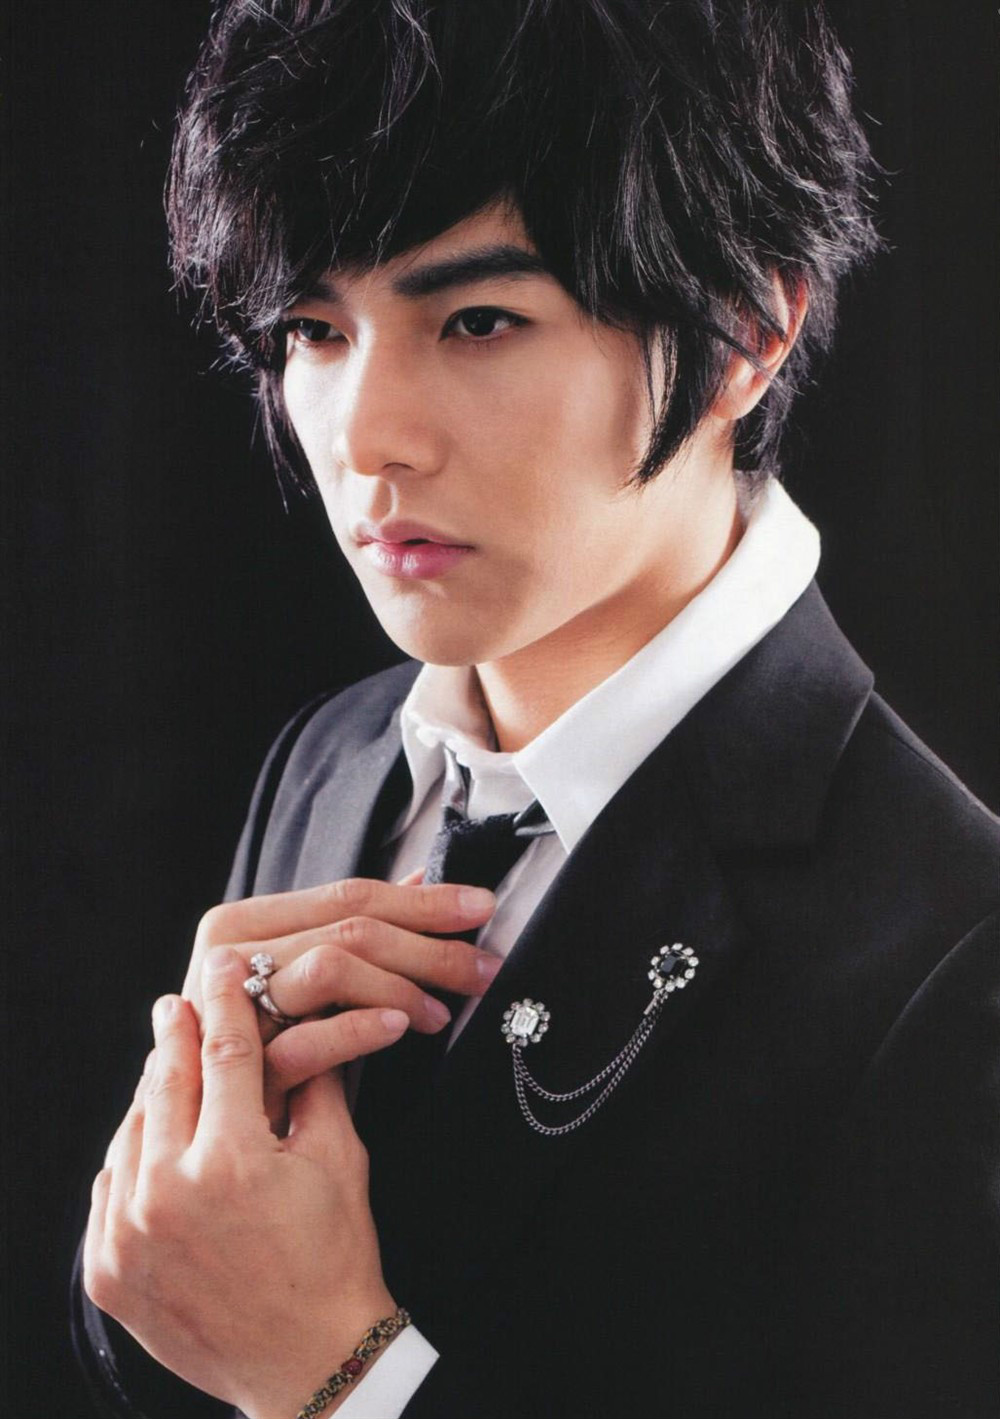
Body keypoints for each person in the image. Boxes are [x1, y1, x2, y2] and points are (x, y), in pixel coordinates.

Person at [73, 2, 999, 1416]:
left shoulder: (953, 955)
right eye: (314, 328)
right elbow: (182, 1321)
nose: (366, 437)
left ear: (747, 330)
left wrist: (341, 1384)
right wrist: (161, 1198)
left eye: (479, 320)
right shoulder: (329, 760)